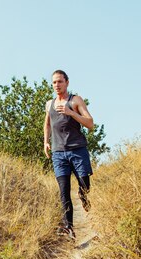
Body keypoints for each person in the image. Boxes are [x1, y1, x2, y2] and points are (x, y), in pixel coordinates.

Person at [43, 69, 94, 240]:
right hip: (58, 153)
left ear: (67, 82)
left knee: (84, 188)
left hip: (77, 150)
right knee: (64, 191)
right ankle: (69, 228)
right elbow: (47, 124)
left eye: (60, 81)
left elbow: (90, 124)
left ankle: (90, 214)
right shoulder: (49, 104)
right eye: (54, 82)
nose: (57, 85)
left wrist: (71, 112)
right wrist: (46, 141)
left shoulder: (75, 100)